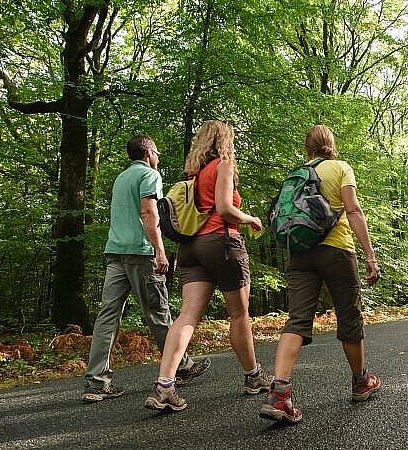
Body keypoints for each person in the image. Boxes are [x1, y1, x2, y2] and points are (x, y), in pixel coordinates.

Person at [144, 120, 272, 411]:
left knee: (186, 316)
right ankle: (253, 377)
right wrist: (250, 219)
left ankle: (165, 385)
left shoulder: (193, 175)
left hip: (190, 249)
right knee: (239, 314)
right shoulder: (223, 165)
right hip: (221, 242)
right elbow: (225, 208)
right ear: (224, 141)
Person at [259, 125, 381, 424]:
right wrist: (370, 254)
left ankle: (280, 394)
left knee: (297, 319)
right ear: (331, 145)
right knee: (348, 315)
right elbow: (353, 211)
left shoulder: (296, 175)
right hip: (336, 250)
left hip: (299, 252)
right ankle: (361, 381)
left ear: (307, 148)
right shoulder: (340, 168)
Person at [82, 135, 210, 403]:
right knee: (158, 313)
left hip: (115, 252)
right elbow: (149, 213)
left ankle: (96, 383)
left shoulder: (120, 178)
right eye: (158, 152)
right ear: (149, 152)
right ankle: (182, 367)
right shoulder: (150, 175)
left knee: (107, 317)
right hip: (140, 253)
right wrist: (160, 251)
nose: (159, 157)